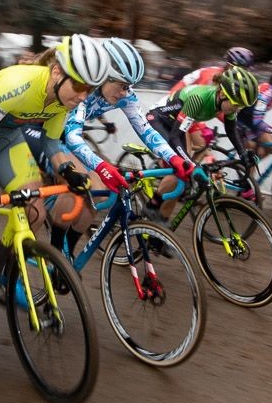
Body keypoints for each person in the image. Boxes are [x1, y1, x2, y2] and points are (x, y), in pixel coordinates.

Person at [0, 34, 109, 289]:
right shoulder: (20, 83)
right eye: (81, 86)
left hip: (6, 139)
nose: (84, 96)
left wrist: (67, 170)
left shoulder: (63, 99)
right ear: (57, 72)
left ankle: (6, 275)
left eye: (90, 89)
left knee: (35, 211)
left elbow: (51, 143)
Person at [51, 38, 183, 255]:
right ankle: (55, 253)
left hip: (65, 136)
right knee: (86, 183)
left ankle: (68, 254)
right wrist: (103, 167)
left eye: (129, 86)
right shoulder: (84, 89)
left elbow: (147, 131)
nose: (125, 92)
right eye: (122, 85)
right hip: (48, 137)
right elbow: (72, 137)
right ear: (103, 77)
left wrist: (174, 158)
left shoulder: (125, 95)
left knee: (99, 194)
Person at [142, 66, 258, 217]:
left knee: (181, 180)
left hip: (176, 124)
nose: (237, 110)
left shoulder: (225, 103)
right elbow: (175, 136)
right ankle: (152, 205)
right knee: (180, 171)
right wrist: (189, 164)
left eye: (241, 106)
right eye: (236, 104)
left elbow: (231, 130)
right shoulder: (199, 99)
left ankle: (161, 223)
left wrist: (243, 154)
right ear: (222, 93)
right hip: (159, 119)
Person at [165, 46, 254, 98]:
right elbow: (198, 101)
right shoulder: (213, 76)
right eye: (242, 69)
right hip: (176, 100)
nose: (244, 73)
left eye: (246, 70)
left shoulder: (228, 79)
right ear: (230, 65)